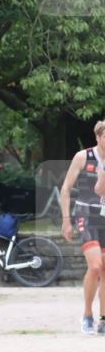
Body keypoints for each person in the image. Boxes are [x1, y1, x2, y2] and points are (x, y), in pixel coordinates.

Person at [60, 119, 105, 335]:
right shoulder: (83, 157)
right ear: (98, 137)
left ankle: (103, 320)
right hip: (86, 214)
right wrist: (66, 220)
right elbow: (66, 189)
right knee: (95, 266)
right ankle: (87, 314)